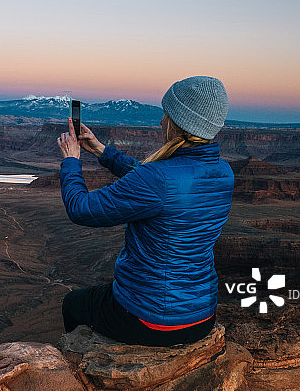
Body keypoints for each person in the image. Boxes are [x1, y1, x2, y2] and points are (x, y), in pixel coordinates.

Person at [56, 75, 233, 346]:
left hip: (152, 319)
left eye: (166, 115)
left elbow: (81, 209)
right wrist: (103, 151)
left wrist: (71, 161)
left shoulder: (157, 179)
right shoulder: (224, 172)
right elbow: (163, 184)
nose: (162, 121)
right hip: (201, 316)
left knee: (73, 304)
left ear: (178, 124)